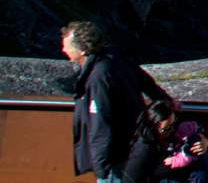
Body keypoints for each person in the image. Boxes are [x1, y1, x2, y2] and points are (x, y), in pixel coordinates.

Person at [64, 20, 170, 183]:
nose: (63, 50)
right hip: (133, 147)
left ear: (83, 50)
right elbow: (144, 80)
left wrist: (101, 169)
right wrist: (165, 100)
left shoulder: (98, 78)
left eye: (67, 46)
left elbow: (101, 125)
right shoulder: (115, 57)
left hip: (115, 159)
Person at [125, 99, 208, 183]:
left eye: (174, 124)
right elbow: (131, 179)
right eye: (166, 129)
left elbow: (196, 131)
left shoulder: (176, 131)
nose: (172, 130)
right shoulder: (143, 149)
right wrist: (173, 163)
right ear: (153, 127)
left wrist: (204, 141)